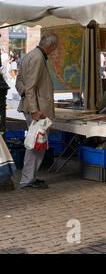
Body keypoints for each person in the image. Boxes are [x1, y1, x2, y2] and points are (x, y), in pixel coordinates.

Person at [15, 33, 59, 189]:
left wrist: (23, 94)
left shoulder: (28, 55)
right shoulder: (38, 58)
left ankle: (29, 178)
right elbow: (31, 86)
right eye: (55, 47)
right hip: (37, 108)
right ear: (51, 46)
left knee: (35, 143)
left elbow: (19, 80)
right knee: (36, 144)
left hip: (33, 106)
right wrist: (34, 109)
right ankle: (28, 179)